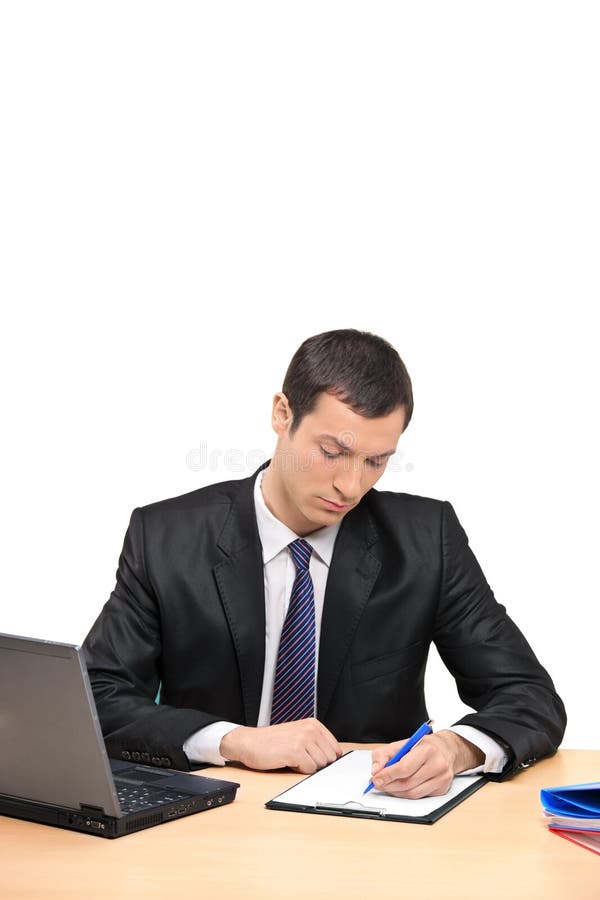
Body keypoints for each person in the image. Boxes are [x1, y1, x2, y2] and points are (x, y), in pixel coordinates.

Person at [83, 329, 566, 799]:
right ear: (282, 414)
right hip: (213, 813)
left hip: (371, 817)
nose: (351, 486)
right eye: (333, 452)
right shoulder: (167, 537)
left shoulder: (426, 539)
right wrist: (232, 739)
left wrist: (456, 748)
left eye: (376, 461)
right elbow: (96, 698)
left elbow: (530, 696)